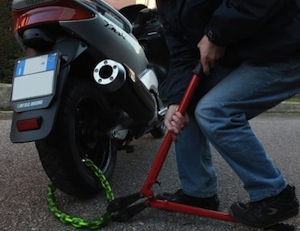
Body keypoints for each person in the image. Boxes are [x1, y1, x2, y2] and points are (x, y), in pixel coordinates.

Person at [155, 0, 300, 228]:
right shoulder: (166, 5)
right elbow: (182, 53)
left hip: (285, 45)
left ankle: (275, 196)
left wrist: (215, 35)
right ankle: (198, 193)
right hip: (245, 56)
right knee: (186, 107)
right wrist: (176, 102)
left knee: (215, 111)